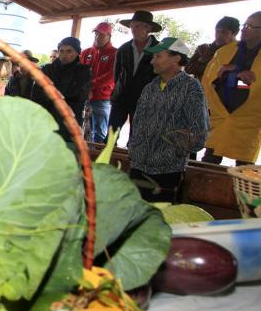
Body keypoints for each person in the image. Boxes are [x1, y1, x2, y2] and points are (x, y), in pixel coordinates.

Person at [201, 11, 261, 165]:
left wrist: (233, 72)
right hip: (221, 111)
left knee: (244, 164)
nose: (244, 29)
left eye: (250, 26)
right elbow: (214, 77)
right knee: (210, 158)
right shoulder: (227, 50)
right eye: (244, 25)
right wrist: (238, 73)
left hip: (249, 116)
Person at [128, 38, 208, 203]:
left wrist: (171, 153)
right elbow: (138, 123)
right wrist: (134, 149)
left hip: (167, 171)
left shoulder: (190, 88)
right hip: (138, 165)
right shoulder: (150, 87)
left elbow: (198, 132)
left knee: (159, 218)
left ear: (176, 58)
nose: (152, 61)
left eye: (158, 56)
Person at [108, 10, 161, 134]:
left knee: (137, 137)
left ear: (148, 28)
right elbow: (117, 74)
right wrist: (119, 90)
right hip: (121, 98)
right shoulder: (123, 49)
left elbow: (161, 76)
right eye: (132, 26)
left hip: (146, 100)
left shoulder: (159, 49)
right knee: (111, 134)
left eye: (137, 26)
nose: (133, 29)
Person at [29, 37, 92, 142]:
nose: (64, 55)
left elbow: (79, 95)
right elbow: (36, 94)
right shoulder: (47, 69)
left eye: (69, 51)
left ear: (77, 53)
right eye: (61, 51)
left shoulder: (84, 71)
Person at [80, 22, 117, 143]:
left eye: (101, 34)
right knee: (81, 128)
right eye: (96, 33)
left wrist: (91, 85)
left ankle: (97, 158)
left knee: (99, 132)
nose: (97, 36)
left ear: (109, 36)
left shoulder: (115, 53)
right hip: (83, 96)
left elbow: (111, 76)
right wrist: (85, 88)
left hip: (101, 98)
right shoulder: (86, 52)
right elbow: (79, 71)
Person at [186, 16, 239, 81]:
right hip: (202, 89)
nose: (219, 35)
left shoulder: (240, 51)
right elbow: (188, 70)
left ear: (235, 33)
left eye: (224, 32)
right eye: (217, 31)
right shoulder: (204, 49)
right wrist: (201, 61)